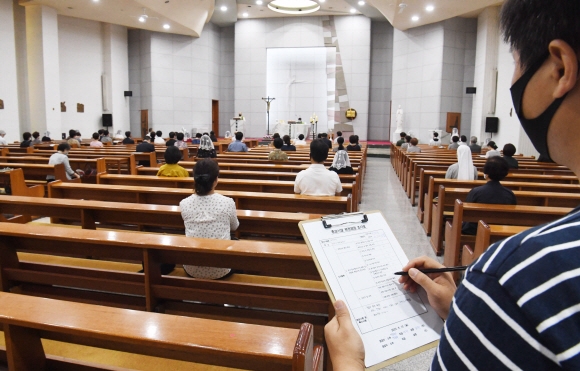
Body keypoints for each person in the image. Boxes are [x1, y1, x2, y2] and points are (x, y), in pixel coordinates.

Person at [325, 1, 580, 369]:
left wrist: (347, 361)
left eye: (515, 61)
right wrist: (465, 312)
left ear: (559, 68)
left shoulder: (515, 278)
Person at [180, 159, 239, 279]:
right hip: (222, 270)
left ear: (195, 179)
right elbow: (234, 227)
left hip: (191, 268)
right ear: (216, 180)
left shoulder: (184, 203)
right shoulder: (227, 202)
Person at [462, 156, 517, 235]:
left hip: (475, 231)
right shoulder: (509, 194)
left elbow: (466, 214)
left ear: (486, 173)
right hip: (501, 232)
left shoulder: (476, 192)